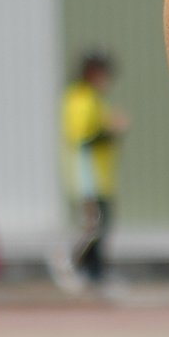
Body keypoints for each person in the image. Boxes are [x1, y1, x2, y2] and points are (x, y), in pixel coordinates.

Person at [60, 48, 126, 287]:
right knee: (92, 225)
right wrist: (111, 129)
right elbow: (82, 137)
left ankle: (94, 271)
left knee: (100, 225)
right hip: (87, 176)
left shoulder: (94, 99)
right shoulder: (80, 97)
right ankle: (71, 264)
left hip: (100, 177)